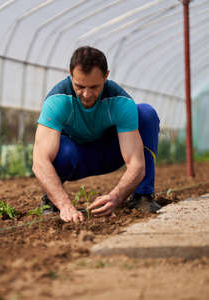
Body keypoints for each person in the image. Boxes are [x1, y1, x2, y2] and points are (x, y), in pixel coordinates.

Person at [32, 46, 161, 223]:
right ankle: (52, 199)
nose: (86, 94)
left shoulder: (120, 102)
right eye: (79, 86)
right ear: (70, 74)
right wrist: (65, 205)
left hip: (109, 153)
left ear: (106, 76)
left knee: (146, 114)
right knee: (59, 151)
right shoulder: (58, 100)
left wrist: (116, 197)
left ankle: (142, 196)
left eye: (94, 87)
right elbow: (40, 161)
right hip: (75, 157)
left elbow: (137, 164)